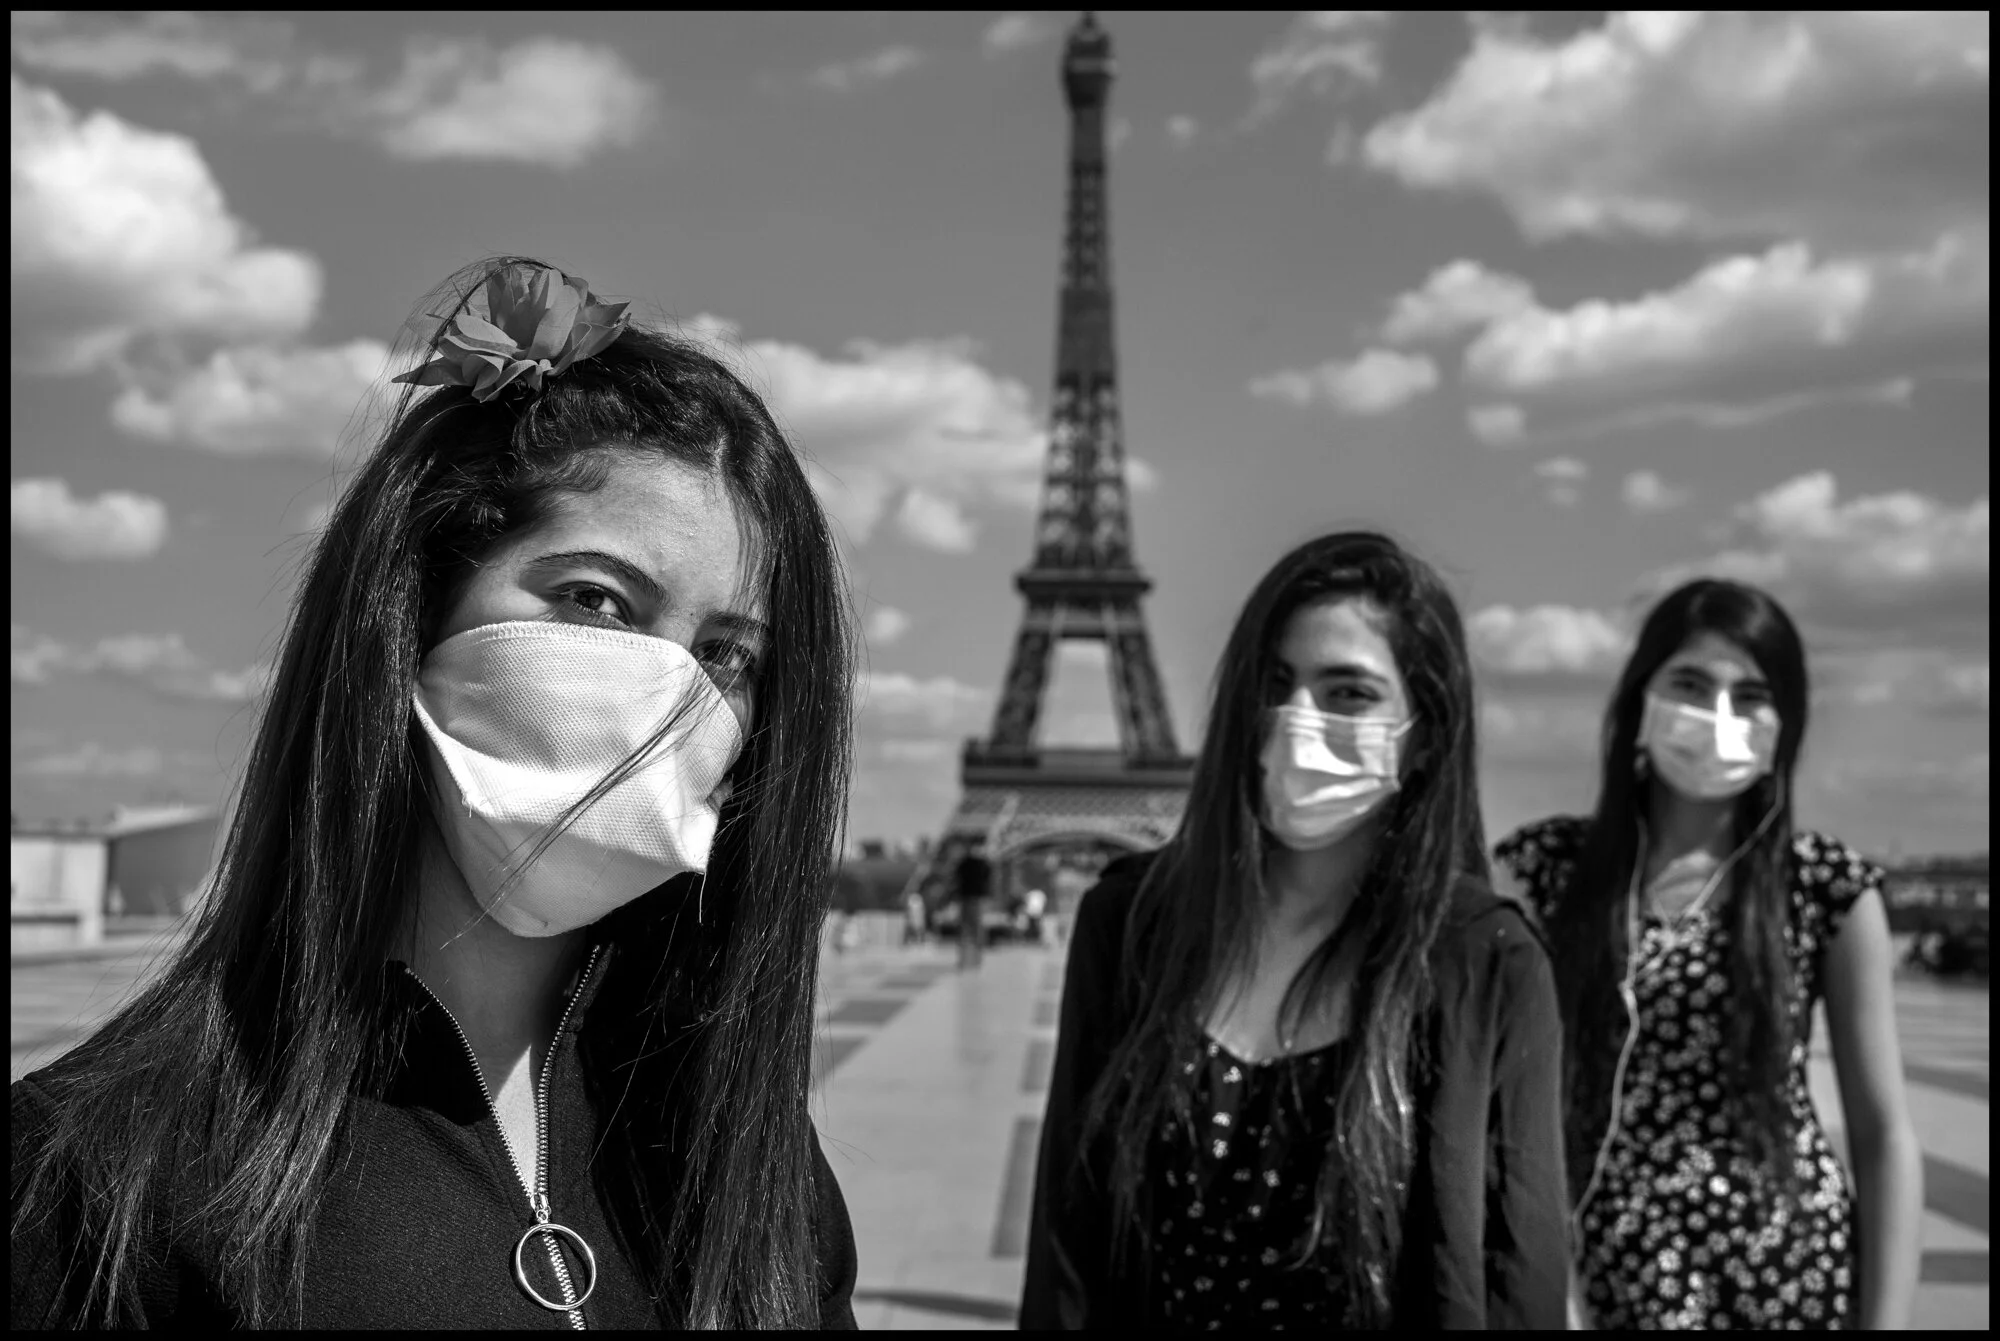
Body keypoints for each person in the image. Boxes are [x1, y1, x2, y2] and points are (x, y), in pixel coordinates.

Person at [11, 258, 860, 1329]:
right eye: (596, 599)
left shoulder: (748, 1154)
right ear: (415, 607)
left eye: (728, 654)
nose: (669, 691)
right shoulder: (95, 1173)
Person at [1021, 531, 1568, 1329]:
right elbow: (1066, 1249)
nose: (1298, 718)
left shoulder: (1489, 963)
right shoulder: (1128, 926)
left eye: (1348, 692)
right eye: (1276, 683)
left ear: (1425, 732)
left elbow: (1516, 1275)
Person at [1493, 578, 1924, 1329]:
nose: (1719, 714)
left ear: (1784, 723)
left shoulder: (1825, 886)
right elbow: (1502, 1111)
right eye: (1690, 683)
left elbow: (1883, 1131)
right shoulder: (1545, 870)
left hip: (1791, 1274)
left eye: (1751, 694)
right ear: (1640, 697)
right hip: (1602, 1277)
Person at [955, 838, 993, 971]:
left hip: (973, 898)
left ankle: (970, 959)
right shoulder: (980, 863)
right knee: (972, 928)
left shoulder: (970, 863)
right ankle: (970, 959)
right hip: (971, 898)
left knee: (971, 928)